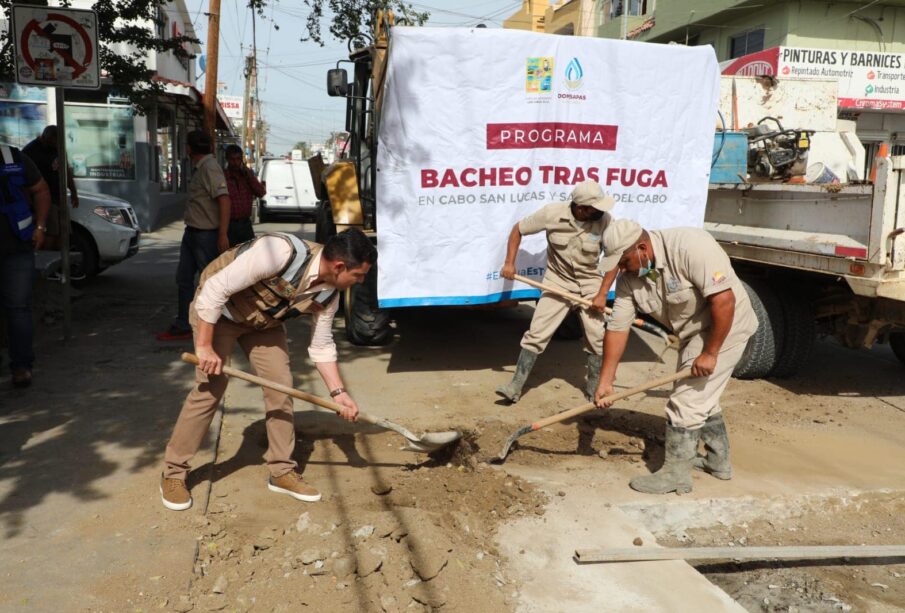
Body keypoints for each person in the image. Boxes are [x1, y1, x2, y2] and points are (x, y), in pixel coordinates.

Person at [160, 228, 376, 511]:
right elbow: (214, 290)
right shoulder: (279, 252)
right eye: (358, 275)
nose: (359, 282)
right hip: (218, 312)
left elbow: (322, 346)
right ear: (339, 266)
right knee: (211, 389)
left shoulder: (329, 295)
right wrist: (204, 347)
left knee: (281, 386)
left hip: (263, 323)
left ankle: (282, 471)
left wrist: (339, 394)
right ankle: (174, 472)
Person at [594, 219, 758, 495]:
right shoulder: (629, 280)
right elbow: (618, 328)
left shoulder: (691, 246)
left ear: (642, 249)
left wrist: (710, 353)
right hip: (694, 332)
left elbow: (724, 301)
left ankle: (676, 476)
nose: (620, 270)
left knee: (685, 401)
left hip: (727, 325)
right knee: (700, 396)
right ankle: (718, 462)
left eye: (623, 262)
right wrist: (606, 381)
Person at [498, 180, 618, 403]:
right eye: (596, 207)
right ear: (581, 208)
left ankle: (594, 387)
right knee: (537, 334)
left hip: (590, 282)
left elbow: (613, 258)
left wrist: (602, 294)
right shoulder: (552, 213)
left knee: (596, 336)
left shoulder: (605, 221)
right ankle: (514, 386)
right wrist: (509, 263)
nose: (601, 211)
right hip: (557, 281)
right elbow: (518, 229)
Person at [157, 130, 232, 341]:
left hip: (206, 235)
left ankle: (220, 326)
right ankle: (184, 323)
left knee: (211, 282)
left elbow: (224, 200)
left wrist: (222, 234)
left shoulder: (210, 167)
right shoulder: (201, 167)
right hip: (193, 233)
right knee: (184, 279)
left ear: (189, 148)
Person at [0, 144, 52, 388]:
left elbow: (41, 189)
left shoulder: (13, 157)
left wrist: (40, 227)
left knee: (18, 309)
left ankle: (21, 366)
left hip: (17, 248)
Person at [23, 126, 82, 279]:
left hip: (59, 197)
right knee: (50, 234)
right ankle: (46, 268)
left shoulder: (58, 149)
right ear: (48, 138)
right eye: (56, 141)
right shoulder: (31, 151)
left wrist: (73, 192)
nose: (58, 145)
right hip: (45, 199)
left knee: (63, 233)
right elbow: (24, 181)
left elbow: (66, 170)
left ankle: (61, 267)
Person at [224, 144, 266, 246]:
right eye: (232, 159)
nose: (235, 162)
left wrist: (249, 176)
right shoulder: (223, 177)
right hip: (229, 225)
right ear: (227, 159)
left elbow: (261, 192)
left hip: (245, 225)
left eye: (238, 159)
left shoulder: (246, 176)